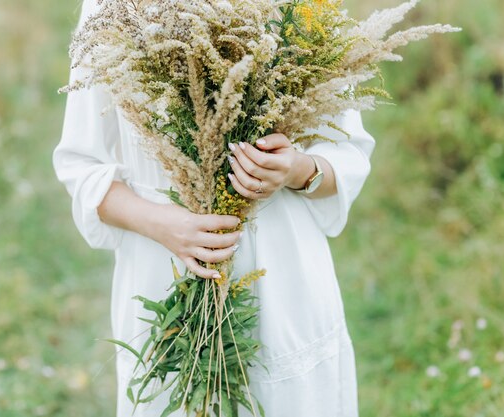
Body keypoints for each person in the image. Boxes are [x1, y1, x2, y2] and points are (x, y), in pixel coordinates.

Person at [52, 1, 375, 416]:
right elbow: (81, 167)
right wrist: (165, 225)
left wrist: (296, 168)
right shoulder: (113, 6)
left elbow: (347, 154)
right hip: (164, 272)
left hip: (285, 278)